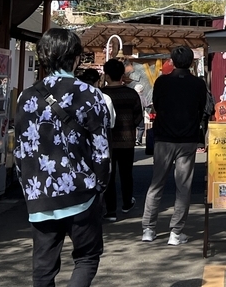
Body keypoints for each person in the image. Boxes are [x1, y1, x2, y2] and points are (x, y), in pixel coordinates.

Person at [14, 29, 111, 287]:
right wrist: (101, 185)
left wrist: (28, 188)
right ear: (76, 58)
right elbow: (101, 150)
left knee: (43, 269)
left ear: (44, 57)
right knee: (87, 257)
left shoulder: (26, 97)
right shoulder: (90, 94)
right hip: (81, 192)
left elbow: (19, 149)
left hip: (40, 194)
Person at [141, 45, 207, 246]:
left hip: (163, 138)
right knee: (183, 187)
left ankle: (148, 229)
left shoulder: (162, 82)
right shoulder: (198, 84)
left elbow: (157, 105)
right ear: (191, 62)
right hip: (187, 139)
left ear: (172, 61)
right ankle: (176, 233)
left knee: (156, 184)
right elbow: (201, 108)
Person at [99, 58, 142, 222]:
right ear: (122, 75)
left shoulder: (101, 94)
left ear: (107, 75)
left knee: (109, 174)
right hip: (127, 140)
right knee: (126, 173)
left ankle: (110, 210)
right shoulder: (131, 94)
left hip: (107, 142)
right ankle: (126, 203)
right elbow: (138, 117)